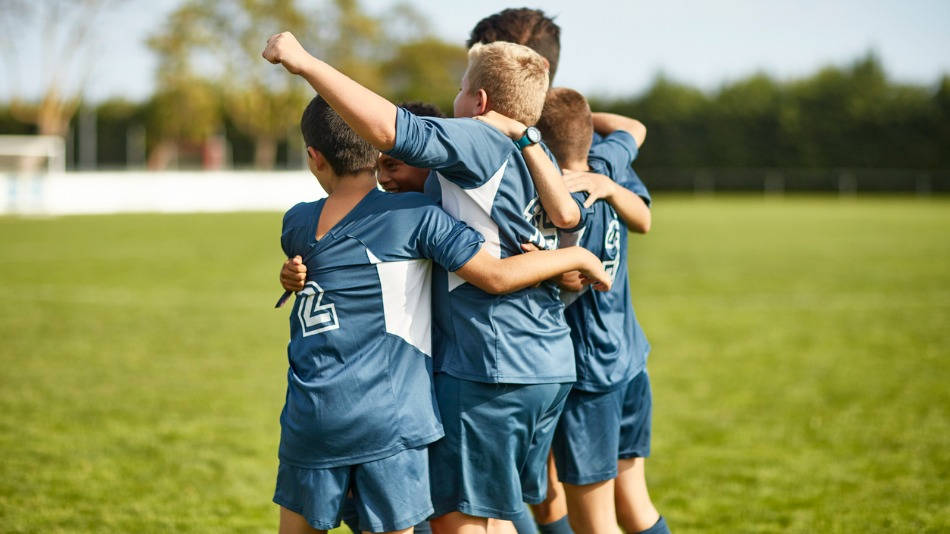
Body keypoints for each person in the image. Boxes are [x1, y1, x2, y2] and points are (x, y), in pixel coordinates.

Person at [261, 32, 591, 534]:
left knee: (460, 520)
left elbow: (390, 129)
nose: (450, 104)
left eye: (460, 88)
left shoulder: (477, 137)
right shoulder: (525, 153)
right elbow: (561, 221)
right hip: (542, 358)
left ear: (478, 101)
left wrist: (304, 62)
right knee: (498, 514)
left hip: (489, 363)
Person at [537, 87, 669, 534]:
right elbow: (645, 218)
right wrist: (610, 183)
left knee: (594, 523)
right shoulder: (608, 164)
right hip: (630, 357)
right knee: (635, 504)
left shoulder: (556, 199)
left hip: (590, 375)